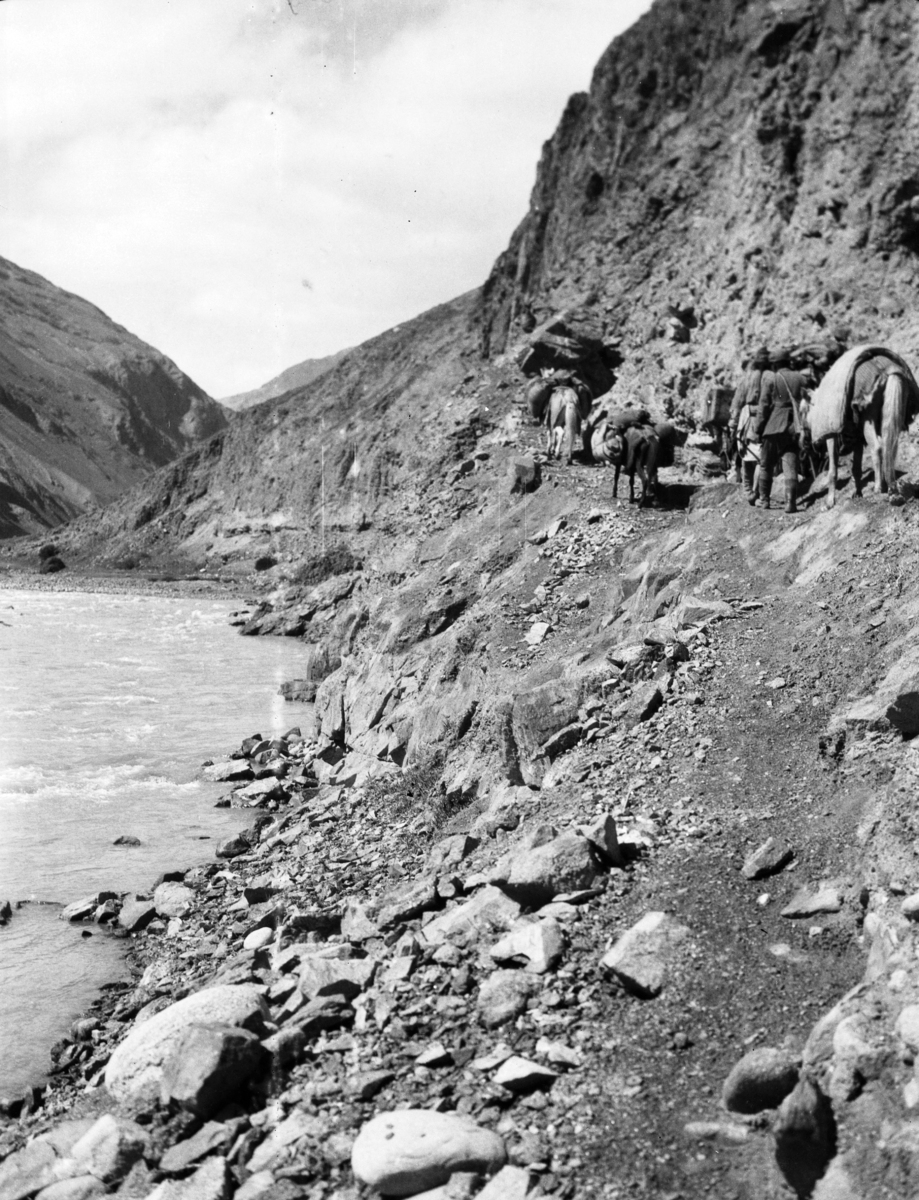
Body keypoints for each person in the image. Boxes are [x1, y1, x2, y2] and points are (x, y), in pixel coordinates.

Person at [755, 348, 806, 513]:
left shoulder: (772, 379)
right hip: (793, 426)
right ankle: (790, 503)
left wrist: (758, 428)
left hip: (773, 425)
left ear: (775, 364)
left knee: (766, 464)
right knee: (791, 464)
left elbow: (763, 406)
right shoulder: (800, 378)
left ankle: (764, 501)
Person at [729, 346, 769, 504]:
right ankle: (755, 492)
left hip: (748, 419)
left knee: (747, 455)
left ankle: (748, 491)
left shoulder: (747, 379)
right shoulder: (772, 378)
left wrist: (733, 424)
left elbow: (737, 402)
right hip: (766, 419)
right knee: (761, 458)